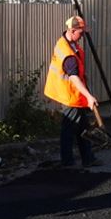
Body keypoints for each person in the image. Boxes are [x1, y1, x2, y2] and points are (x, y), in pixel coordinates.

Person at [43, 15, 101, 168]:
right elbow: (73, 77)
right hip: (68, 94)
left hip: (74, 93)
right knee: (70, 128)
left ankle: (87, 158)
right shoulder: (67, 52)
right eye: (81, 32)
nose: (83, 35)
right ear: (72, 30)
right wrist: (89, 96)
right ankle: (69, 162)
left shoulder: (69, 43)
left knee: (82, 126)